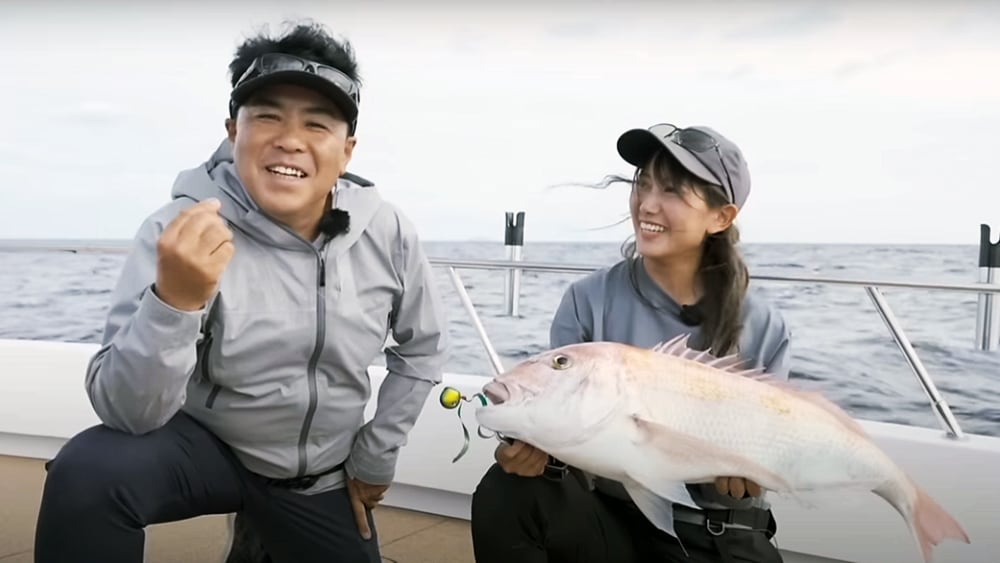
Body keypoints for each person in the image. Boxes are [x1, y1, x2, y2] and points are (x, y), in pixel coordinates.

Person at [33, 21, 449, 563]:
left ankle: (261, 541)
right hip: (210, 449)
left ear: (346, 151)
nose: (290, 139)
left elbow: (422, 349)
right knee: (90, 471)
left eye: (317, 123)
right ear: (234, 132)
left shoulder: (389, 231)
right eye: (268, 116)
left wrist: (375, 455)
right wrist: (174, 302)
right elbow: (127, 412)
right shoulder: (178, 228)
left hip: (319, 474)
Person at [469, 122, 792, 563]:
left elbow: (771, 448)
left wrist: (753, 472)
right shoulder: (588, 300)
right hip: (611, 522)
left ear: (721, 217)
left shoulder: (764, 325)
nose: (648, 204)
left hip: (722, 534)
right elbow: (559, 426)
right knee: (506, 492)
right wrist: (527, 448)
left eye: (673, 191)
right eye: (643, 184)